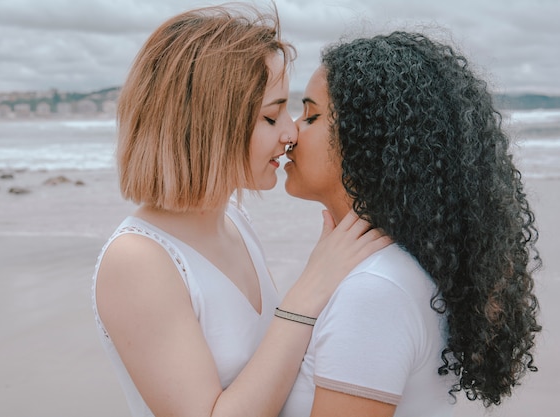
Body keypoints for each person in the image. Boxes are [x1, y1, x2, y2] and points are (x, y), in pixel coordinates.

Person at [91, 5, 390, 417]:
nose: (290, 133)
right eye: (271, 115)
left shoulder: (233, 220)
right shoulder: (138, 260)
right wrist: (309, 289)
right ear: (209, 124)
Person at [281, 31, 542, 417]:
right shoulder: (392, 268)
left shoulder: (374, 291)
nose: (289, 132)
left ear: (368, 140)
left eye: (311, 115)